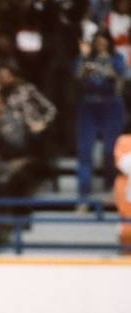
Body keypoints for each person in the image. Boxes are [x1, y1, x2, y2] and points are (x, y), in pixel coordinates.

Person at [75, 30, 126, 199]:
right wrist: (84, 60)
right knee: (85, 150)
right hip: (89, 105)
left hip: (110, 104)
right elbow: (76, 75)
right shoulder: (86, 57)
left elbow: (122, 76)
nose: (101, 45)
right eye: (98, 42)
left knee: (109, 150)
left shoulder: (117, 58)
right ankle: (84, 192)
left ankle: (110, 187)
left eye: (104, 41)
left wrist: (107, 65)